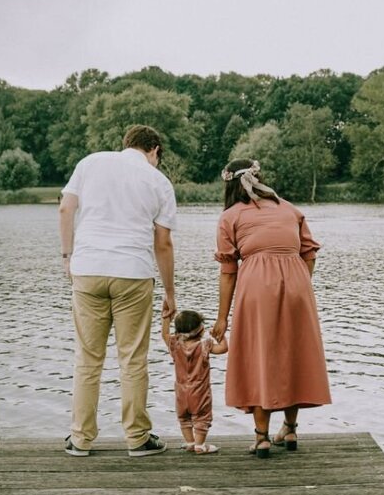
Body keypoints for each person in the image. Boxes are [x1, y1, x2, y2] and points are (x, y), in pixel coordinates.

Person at [59, 124, 177, 458]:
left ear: (126, 144)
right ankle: (137, 438)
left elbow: (66, 208)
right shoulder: (158, 181)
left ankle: (80, 439)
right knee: (133, 359)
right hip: (132, 273)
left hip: (88, 270)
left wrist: (67, 257)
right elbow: (163, 243)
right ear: (153, 150)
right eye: (158, 157)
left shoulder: (91, 162)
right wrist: (170, 293)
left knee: (88, 359)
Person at [210, 159, 330, 458]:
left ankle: (262, 437)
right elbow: (309, 253)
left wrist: (222, 318)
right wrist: (297, 281)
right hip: (297, 284)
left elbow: (228, 271)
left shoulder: (230, 216)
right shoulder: (289, 209)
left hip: (256, 286)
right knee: (293, 353)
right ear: (258, 178)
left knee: (258, 354)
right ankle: (290, 429)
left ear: (229, 185)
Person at [162, 309, 228, 454]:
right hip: (200, 392)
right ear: (201, 329)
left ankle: (190, 442)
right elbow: (224, 348)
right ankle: (200, 445)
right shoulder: (204, 346)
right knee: (202, 418)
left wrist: (166, 317)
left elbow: (165, 334)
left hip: (181, 392)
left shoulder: (174, 344)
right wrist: (219, 336)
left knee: (184, 418)